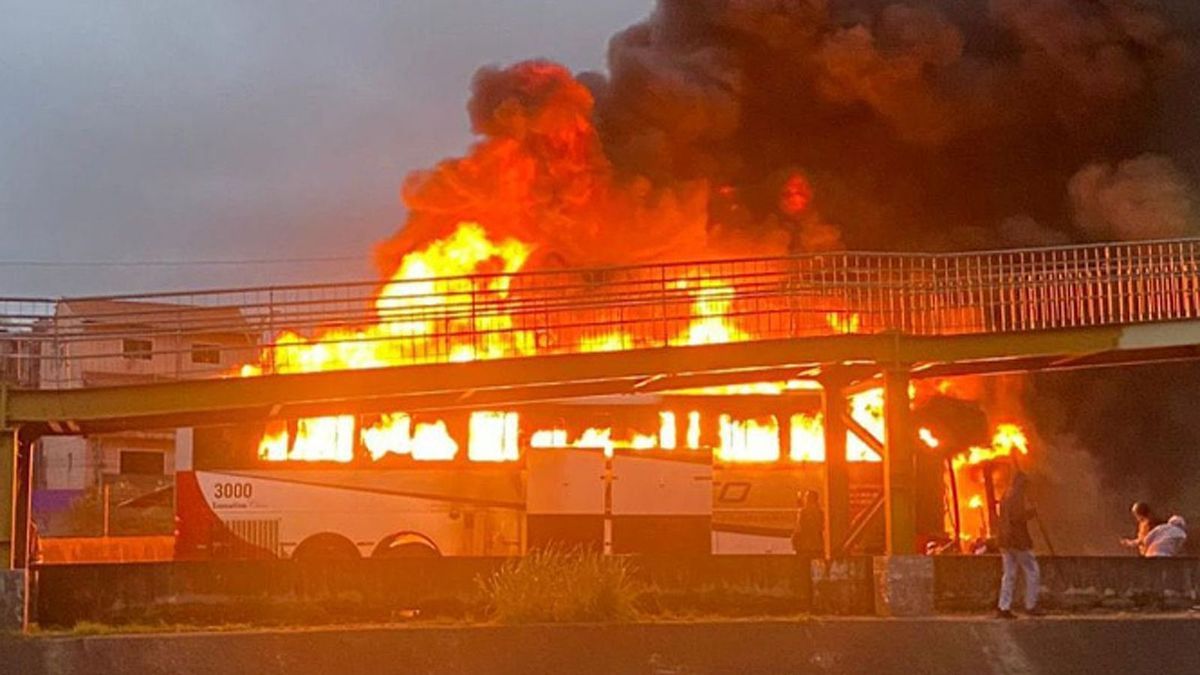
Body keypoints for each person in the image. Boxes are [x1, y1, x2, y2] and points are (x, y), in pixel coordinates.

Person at [996, 471, 1041, 619]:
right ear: (1021, 484)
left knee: (1009, 574)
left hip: (1005, 541)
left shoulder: (1005, 495)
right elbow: (1016, 518)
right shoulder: (1016, 496)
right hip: (1018, 541)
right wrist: (1031, 513)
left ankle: (1004, 607)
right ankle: (1031, 605)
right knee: (1032, 570)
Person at [791, 489, 825, 558]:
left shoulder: (803, 512)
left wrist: (794, 541)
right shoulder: (820, 513)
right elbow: (821, 528)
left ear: (808, 499)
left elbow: (800, 528)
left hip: (804, 547)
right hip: (817, 546)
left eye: (805, 497)